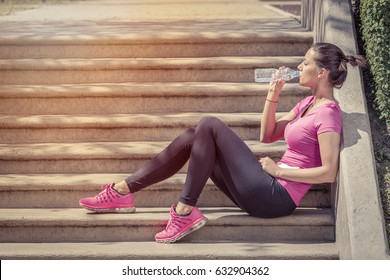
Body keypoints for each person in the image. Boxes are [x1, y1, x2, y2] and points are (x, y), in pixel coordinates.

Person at [79, 42, 367, 243]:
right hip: (264, 188)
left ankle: (184, 211)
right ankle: (123, 190)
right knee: (194, 137)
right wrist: (273, 94)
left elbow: (329, 172)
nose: (298, 66)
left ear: (321, 73)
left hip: (277, 197)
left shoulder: (328, 113)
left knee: (209, 124)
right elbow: (267, 136)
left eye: (305, 62)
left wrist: (280, 172)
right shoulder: (306, 104)